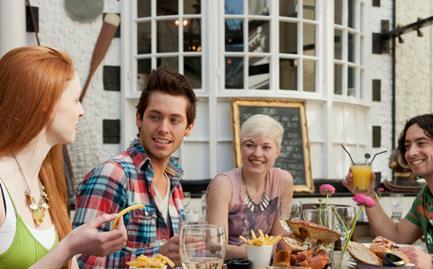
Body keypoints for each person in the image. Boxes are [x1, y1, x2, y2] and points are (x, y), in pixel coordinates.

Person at [0, 46, 127, 269]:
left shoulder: (46, 180)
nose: (81, 111)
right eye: (76, 100)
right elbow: (64, 251)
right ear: (45, 105)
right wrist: (68, 247)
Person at [73, 67, 197, 268]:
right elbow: (80, 260)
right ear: (139, 118)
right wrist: (156, 257)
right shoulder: (113, 175)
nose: (164, 128)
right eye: (155, 117)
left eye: (174, 120)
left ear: (189, 127)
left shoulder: (174, 183)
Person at [344, 113, 433, 269]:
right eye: (407, 146)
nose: (411, 153)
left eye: (421, 143)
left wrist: (432, 261)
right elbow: (396, 236)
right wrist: (368, 197)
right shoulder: (425, 197)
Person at [206, 114, 294, 258]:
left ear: (277, 152)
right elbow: (215, 247)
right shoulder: (223, 184)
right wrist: (263, 253)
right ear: (240, 147)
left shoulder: (283, 181)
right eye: (249, 145)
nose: (257, 153)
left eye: (266, 147)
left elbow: (280, 238)